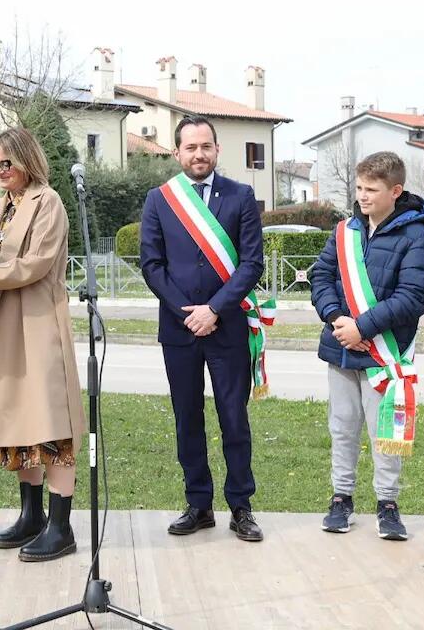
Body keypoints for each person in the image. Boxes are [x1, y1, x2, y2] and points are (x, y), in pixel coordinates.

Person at [0, 127, 86, 562]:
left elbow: (32, 266)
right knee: (18, 422)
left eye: (8, 162)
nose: (1, 170)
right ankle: (30, 515)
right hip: (1, 325)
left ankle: (61, 526)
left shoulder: (51, 203)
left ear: (28, 158)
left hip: (39, 324)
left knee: (52, 424)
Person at [140, 116, 266, 542]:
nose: (199, 154)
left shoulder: (241, 196)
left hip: (226, 327)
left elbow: (252, 263)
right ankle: (198, 504)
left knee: (234, 417)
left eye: (206, 146)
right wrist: (186, 312)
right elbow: (151, 266)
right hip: (179, 331)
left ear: (216, 150)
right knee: (186, 418)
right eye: (191, 147)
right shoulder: (159, 200)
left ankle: (241, 506)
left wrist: (213, 309)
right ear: (177, 153)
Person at [310, 151, 424, 541]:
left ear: (395, 191)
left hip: (385, 353)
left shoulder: (417, 236)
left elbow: (413, 297)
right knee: (343, 428)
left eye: (372, 189)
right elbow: (322, 277)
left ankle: (388, 504)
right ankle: (340, 498)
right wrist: (335, 318)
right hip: (340, 348)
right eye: (360, 188)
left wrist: (362, 326)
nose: (362, 196)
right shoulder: (345, 231)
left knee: (386, 433)